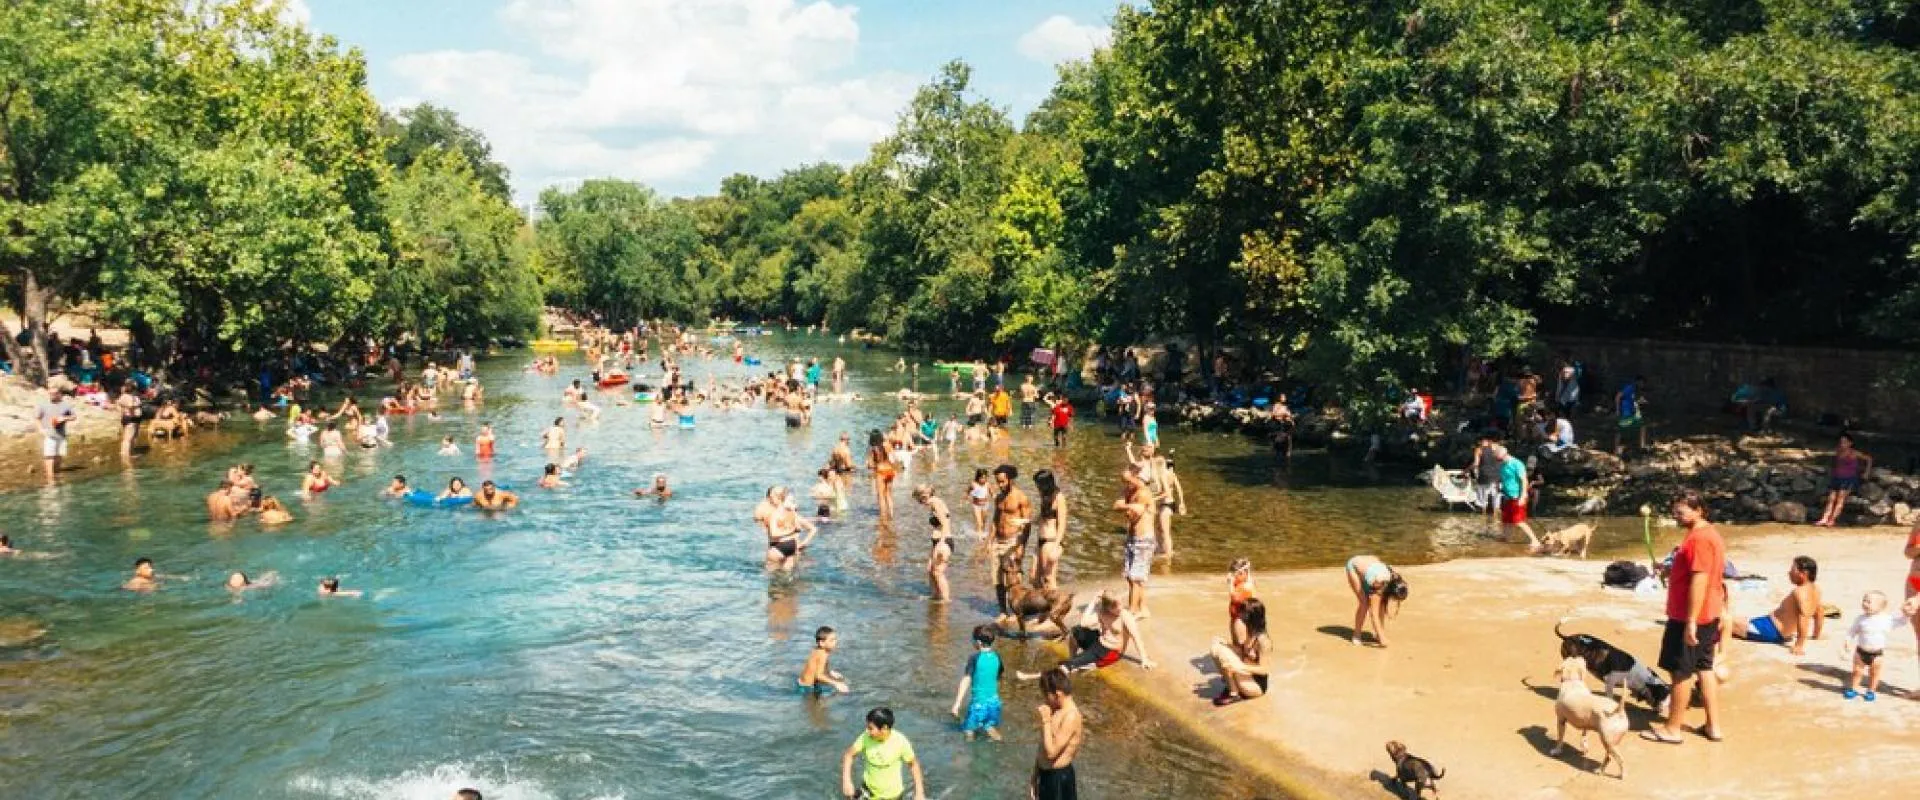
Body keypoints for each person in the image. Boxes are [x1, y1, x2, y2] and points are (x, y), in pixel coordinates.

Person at [1644, 490, 1727, 745]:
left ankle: (1672, 728)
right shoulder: (1708, 533)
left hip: (1691, 616)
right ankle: (1713, 726)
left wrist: (1690, 621)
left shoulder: (1699, 538)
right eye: (1675, 511)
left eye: (1681, 511)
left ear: (1699, 509)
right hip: (1709, 613)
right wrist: (1670, 569)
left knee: (1680, 672)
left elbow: (1699, 580)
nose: (1676, 516)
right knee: (1704, 668)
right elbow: (1697, 570)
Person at [1018, 592, 1156, 679]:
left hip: (1110, 652)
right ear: (1107, 608)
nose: (1120, 608)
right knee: (1076, 631)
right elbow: (1084, 623)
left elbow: (1136, 637)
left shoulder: (1125, 616)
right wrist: (1092, 603)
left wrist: (1144, 659)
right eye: (1116, 607)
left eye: (1120, 605)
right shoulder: (1102, 611)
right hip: (1099, 642)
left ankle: (1035, 676)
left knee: (1068, 666)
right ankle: (1074, 659)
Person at [1731, 556, 1823, 655]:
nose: (1789, 573)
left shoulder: (1800, 592)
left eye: (1793, 570)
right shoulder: (1815, 590)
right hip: (1771, 627)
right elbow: (1819, 613)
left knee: (1724, 622)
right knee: (1735, 620)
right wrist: (1816, 635)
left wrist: (1799, 645)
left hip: (1769, 631)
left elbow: (1803, 618)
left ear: (1803, 574)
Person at [1841, 590, 1919, 701]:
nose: (1865, 604)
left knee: (1874, 674)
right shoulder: (1860, 619)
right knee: (1857, 672)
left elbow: (1901, 621)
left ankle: (1871, 691)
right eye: (1864, 600)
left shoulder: (1886, 620)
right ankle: (1853, 689)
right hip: (1860, 652)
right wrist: (1847, 641)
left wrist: (1906, 615)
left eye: (1869, 602)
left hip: (1877, 654)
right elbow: (1852, 631)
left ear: (1881, 607)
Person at [840, 707, 925, 800]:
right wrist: (846, 781)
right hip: (867, 791)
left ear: (884, 728)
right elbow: (849, 755)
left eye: (871, 728)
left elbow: (913, 765)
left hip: (893, 796)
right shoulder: (865, 737)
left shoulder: (900, 741)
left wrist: (919, 793)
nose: (867, 731)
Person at [1030, 667, 1084, 800]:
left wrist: (1046, 720)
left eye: (1046, 695)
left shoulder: (1071, 716)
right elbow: (1043, 745)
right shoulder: (1055, 709)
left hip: (1058, 778)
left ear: (1057, 694)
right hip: (1045, 775)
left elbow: (1052, 753)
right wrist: (1035, 776)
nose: (1045, 699)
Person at [1209, 598, 1272, 705]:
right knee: (1216, 648)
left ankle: (1234, 693)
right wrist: (1226, 644)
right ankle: (1232, 686)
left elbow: (1265, 669)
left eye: (1243, 614)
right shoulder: (1249, 631)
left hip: (1256, 686)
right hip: (1245, 675)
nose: (1240, 617)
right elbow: (1243, 651)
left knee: (1224, 656)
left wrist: (1239, 667)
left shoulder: (1263, 641)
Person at [991, 464, 1034, 612]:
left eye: (1002, 481)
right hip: (998, 541)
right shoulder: (999, 497)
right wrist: (987, 543)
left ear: (1011, 479)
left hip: (1013, 541)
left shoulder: (1021, 498)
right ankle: (1003, 611)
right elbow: (995, 520)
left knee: (1013, 579)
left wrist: (1022, 546)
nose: (1000, 485)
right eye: (997, 481)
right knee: (997, 579)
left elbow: (1027, 524)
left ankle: (1019, 610)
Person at [950, 625, 1003, 741]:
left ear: (978, 642)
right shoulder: (997, 657)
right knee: (989, 727)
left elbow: (966, 680)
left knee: (968, 730)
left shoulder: (974, 658)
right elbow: (998, 677)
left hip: (979, 705)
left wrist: (957, 703)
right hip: (994, 703)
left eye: (972, 640)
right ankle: (1000, 741)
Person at [1116, 463, 1155, 618]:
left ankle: (1132, 611)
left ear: (1137, 477)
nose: (1126, 485)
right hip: (1132, 538)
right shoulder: (1129, 491)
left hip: (1143, 540)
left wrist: (1125, 506)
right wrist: (1127, 506)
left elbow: (1134, 514)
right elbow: (1116, 506)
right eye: (1124, 481)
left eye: (1128, 481)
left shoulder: (1144, 493)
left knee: (1136, 577)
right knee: (1131, 576)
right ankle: (1142, 608)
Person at [1344, 555, 1408, 647]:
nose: (1393, 600)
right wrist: (1383, 639)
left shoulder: (1396, 578)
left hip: (1372, 567)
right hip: (1354, 566)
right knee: (1364, 603)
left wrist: (1380, 635)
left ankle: (1378, 634)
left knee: (1381, 604)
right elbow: (1373, 614)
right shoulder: (1380, 585)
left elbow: (1381, 607)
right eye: (1394, 598)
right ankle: (1356, 635)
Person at [1814, 433, 1873, 527]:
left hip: (1848, 479)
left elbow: (1869, 459)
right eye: (1841, 442)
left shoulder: (1854, 453)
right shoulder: (1838, 452)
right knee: (1831, 498)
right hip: (1837, 477)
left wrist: (1867, 472)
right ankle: (1824, 518)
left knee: (1840, 499)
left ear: (1850, 443)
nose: (1842, 444)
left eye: (1845, 442)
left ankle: (1832, 519)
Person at [913, 485, 952, 602]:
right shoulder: (933, 504)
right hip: (936, 541)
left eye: (919, 499)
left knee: (938, 572)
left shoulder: (935, 502)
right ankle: (935, 595)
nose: (920, 502)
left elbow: (945, 523)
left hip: (943, 541)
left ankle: (945, 600)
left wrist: (941, 543)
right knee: (930, 569)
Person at [1496, 444, 1540, 550]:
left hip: (1518, 496)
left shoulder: (1517, 464)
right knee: (1506, 520)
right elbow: (1502, 477)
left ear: (1505, 455)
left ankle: (1535, 540)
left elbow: (1524, 480)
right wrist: (1498, 483)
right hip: (1507, 496)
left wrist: (1523, 495)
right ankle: (1506, 537)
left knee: (1519, 521)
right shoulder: (1502, 465)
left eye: (1499, 458)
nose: (1498, 461)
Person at [1031, 470, 1068, 590]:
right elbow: (1042, 517)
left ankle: (1055, 606)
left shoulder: (1059, 498)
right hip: (1040, 540)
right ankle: (1042, 605)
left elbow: (1062, 524)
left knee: (1049, 578)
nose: (1037, 487)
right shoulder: (1044, 496)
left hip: (1051, 541)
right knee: (1034, 578)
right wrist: (1025, 521)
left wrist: (1056, 546)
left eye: (1038, 485)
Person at [36, 387, 75, 482]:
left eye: (54, 393)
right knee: (49, 456)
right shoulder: (43, 405)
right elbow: (37, 418)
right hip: (49, 434)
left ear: (59, 394)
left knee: (59, 455)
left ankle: (57, 473)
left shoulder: (66, 405)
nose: (52, 395)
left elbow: (74, 416)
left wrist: (64, 418)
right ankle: (50, 478)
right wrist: (41, 429)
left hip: (61, 435)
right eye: (50, 394)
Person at [799, 625, 850, 695]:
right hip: (807, 688)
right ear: (822, 643)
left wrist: (830, 672)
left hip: (804, 683)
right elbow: (818, 675)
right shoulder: (822, 654)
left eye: (835, 639)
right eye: (831, 640)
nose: (835, 642)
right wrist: (836, 684)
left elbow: (817, 667)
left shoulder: (818, 650)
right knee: (820, 705)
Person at [1469, 436, 1503, 522]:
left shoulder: (1479, 450)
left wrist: (1466, 470)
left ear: (1482, 441)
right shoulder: (1499, 449)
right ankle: (1496, 521)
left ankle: (1483, 520)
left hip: (1484, 477)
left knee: (1483, 501)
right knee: (1496, 501)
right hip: (1497, 478)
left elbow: (1476, 464)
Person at [1613, 375, 1646, 455]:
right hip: (1625, 412)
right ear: (1638, 382)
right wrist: (1617, 410)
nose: (1642, 385)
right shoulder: (1629, 387)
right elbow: (1617, 397)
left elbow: (1633, 401)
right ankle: (1616, 449)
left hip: (1631, 413)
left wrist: (1640, 402)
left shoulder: (1635, 390)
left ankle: (1642, 446)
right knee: (1620, 430)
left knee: (1642, 426)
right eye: (1641, 383)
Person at [867, 431, 897, 520]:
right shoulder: (888, 445)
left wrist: (874, 465)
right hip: (890, 471)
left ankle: (883, 517)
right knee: (888, 494)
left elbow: (870, 465)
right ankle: (891, 514)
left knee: (881, 495)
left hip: (880, 472)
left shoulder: (873, 449)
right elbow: (894, 459)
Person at [115, 383, 142, 459]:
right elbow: (130, 406)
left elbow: (118, 404)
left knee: (132, 437)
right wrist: (137, 405)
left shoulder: (126, 396)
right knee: (128, 438)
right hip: (131, 418)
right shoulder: (128, 397)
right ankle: (126, 455)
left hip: (132, 418)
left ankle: (128, 452)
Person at [1227, 558, 1256, 624]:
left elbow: (1234, 598)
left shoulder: (1246, 586)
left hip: (1241, 619)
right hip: (1237, 617)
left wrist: (1230, 583)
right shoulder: (1241, 582)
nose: (1233, 576)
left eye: (1235, 574)